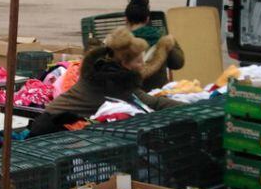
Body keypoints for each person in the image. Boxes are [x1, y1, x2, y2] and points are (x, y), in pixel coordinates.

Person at [28, 27, 183, 137]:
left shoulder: (101, 71)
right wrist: (193, 107)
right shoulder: (112, 82)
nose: (142, 65)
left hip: (53, 122)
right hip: (49, 129)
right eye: (138, 62)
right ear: (124, 63)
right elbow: (152, 103)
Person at [124, 0, 185, 91]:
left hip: (130, 95)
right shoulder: (163, 38)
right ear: (147, 19)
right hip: (159, 94)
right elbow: (178, 63)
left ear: (126, 19)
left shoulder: (120, 43)